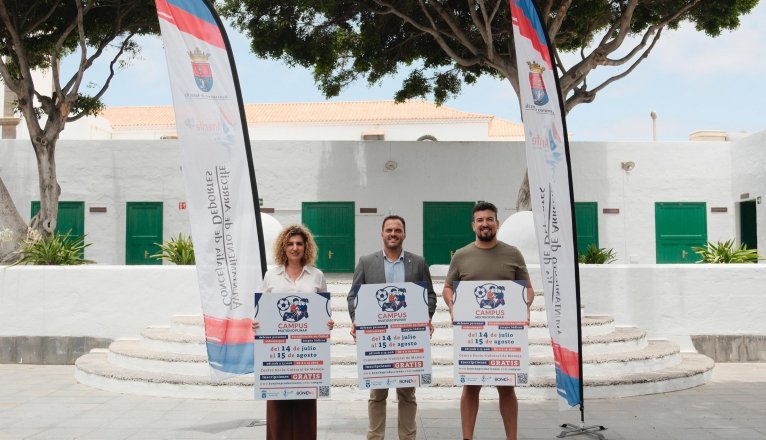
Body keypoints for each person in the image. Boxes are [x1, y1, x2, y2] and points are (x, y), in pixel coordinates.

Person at [441, 202, 534, 440]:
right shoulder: (461, 255)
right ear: (473, 225)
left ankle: (512, 438)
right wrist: (453, 304)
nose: (485, 224)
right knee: (471, 387)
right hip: (473, 336)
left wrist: (523, 305)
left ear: (497, 223)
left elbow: (528, 289)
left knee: (507, 387)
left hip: (505, 336)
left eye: (489, 219)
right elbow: (448, 288)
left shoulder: (513, 254)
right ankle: (467, 438)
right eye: (480, 220)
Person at [347, 215, 437, 440]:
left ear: (404, 234)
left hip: (407, 341)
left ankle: (408, 437)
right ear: (382, 234)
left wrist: (426, 317)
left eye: (397, 230)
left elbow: (430, 295)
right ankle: (375, 437)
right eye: (389, 230)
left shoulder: (418, 262)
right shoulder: (367, 262)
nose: (393, 234)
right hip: (378, 341)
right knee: (377, 395)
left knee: (407, 394)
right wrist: (357, 319)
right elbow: (353, 296)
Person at [253, 224, 334, 440]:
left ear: (306, 247)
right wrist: (257, 323)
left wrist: (327, 323)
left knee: (305, 407)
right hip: (277, 354)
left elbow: (324, 311)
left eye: (299, 243)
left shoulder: (317, 276)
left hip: (306, 354)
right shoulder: (271, 276)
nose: (295, 248)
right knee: (277, 408)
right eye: (290, 243)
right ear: (283, 247)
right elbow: (261, 310)